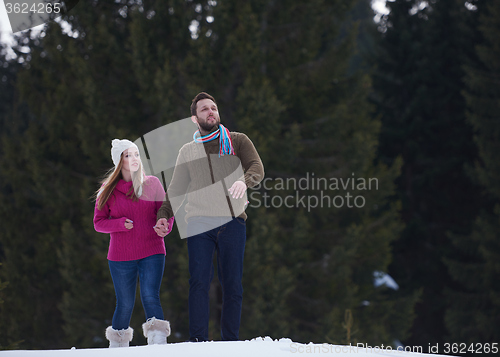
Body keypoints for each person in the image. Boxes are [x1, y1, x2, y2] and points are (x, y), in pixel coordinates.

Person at [155, 92, 264, 342]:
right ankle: (198, 342)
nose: (211, 112)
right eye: (204, 109)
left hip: (232, 221)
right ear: (195, 118)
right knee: (199, 283)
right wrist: (164, 214)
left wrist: (244, 181)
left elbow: (257, 167)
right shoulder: (188, 151)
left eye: (213, 107)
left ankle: (230, 343)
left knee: (233, 285)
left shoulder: (237, 141)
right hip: (199, 223)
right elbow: (177, 188)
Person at [93, 139, 175, 348]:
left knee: (150, 295)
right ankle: (118, 347)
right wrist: (119, 224)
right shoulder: (107, 190)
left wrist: (164, 226)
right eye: (128, 155)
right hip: (120, 256)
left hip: (152, 249)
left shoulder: (153, 184)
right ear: (119, 161)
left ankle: (158, 343)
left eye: (136, 154)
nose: (134, 159)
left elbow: (166, 213)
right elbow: (98, 223)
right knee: (125, 303)